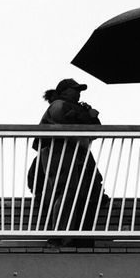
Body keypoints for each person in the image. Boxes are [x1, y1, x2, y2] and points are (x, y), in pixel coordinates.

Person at [29, 78, 106, 246]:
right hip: (59, 150)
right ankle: (62, 236)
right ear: (64, 91)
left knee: (76, 192)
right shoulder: (58, 105)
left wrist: (89, 116)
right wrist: (86, 116)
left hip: (72, 152)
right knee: (67, 191)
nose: (78, 93)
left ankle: (70, 236)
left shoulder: (71, 106)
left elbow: (95, 131)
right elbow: (66, 126)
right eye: (75, 89)